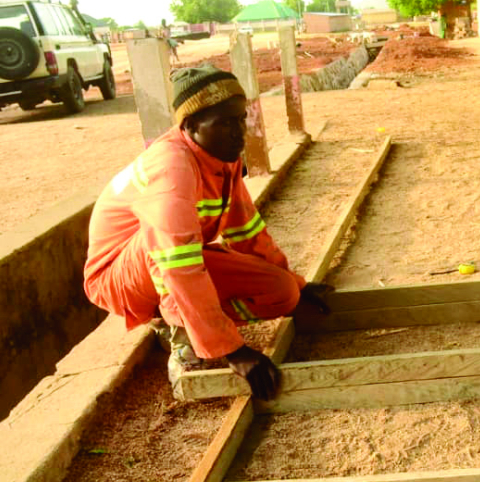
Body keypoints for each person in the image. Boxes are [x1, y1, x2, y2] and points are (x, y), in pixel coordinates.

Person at [84, 66, 331, 400]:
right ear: (189, 126)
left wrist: (297, 284)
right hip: (120, 276)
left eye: (240, 119)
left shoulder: (222, 155)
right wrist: (233, 350)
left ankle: (183, 319)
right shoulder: (172, 168)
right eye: (224, 123)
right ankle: (185, 342)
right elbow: (176, 263)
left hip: (168, 259)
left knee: (282, 293)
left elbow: (246, 231)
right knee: (171, 249)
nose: (238, 133)